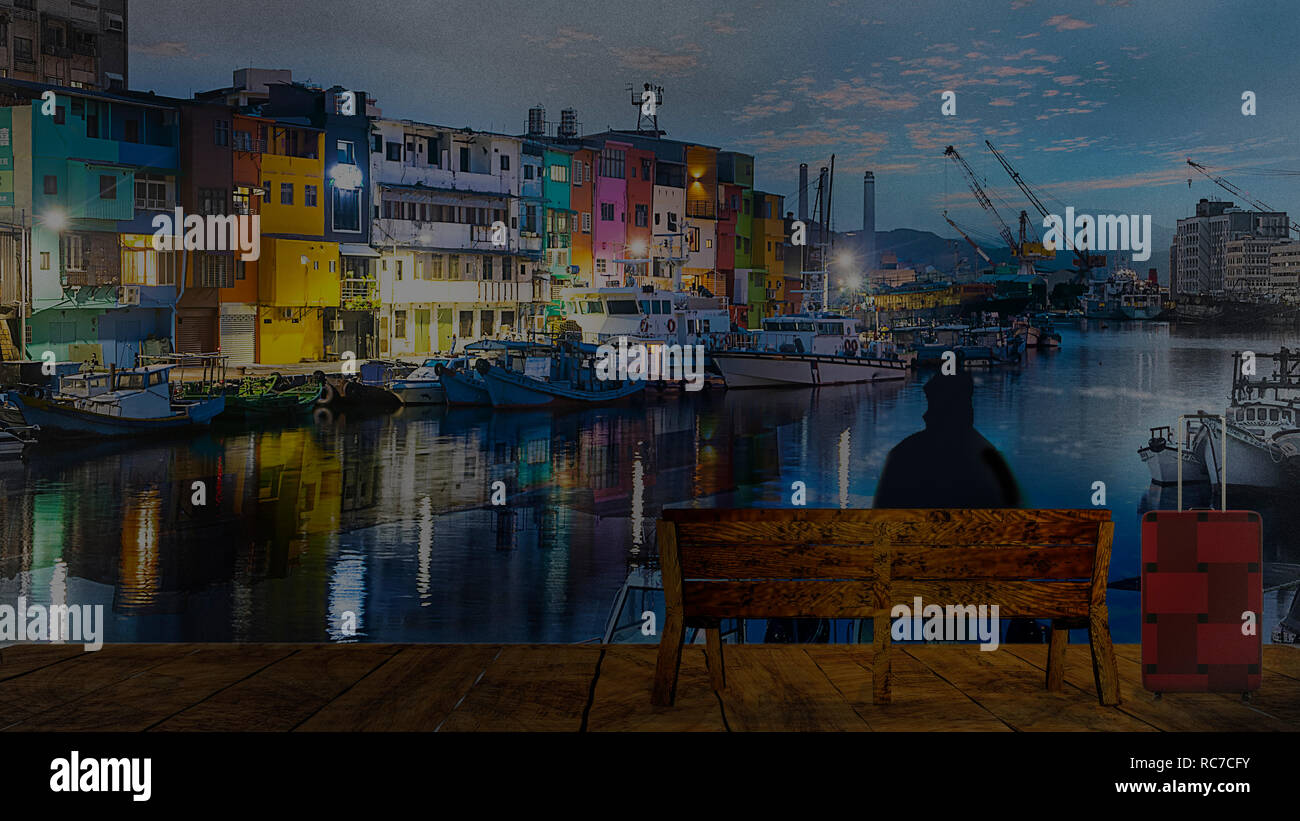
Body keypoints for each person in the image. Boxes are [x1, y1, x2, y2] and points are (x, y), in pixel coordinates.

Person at [873, 369, 1044, 643]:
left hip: (909, 597)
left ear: (932, 407)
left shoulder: (903, 455)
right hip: (978, 600)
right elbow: (1022, 539)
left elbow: (877, 531)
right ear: (967, 407)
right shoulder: (991, 460)